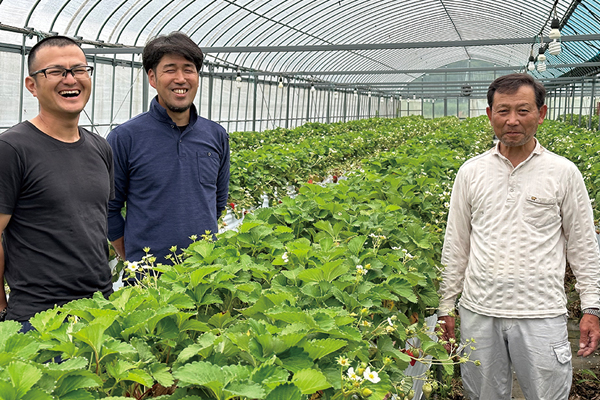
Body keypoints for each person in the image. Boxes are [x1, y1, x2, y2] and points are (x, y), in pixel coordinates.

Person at [438, 73, 600, 399]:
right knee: (483, 394)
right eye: (503, 111)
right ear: (489, 115)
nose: (512, 120)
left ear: (541, 114)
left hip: (541, 313)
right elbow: (456, 243)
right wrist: (446, 307)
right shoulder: (471, 172)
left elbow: (583, 244)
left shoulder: (563, 172)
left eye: (523, 111)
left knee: (547, 395)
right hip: (479, 312)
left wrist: (592, 307)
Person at [0, 36, 114, 327]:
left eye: (79, 69)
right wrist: (1, 307)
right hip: (40, 320)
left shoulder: (100, 147)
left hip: (101, 309)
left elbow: (95, 223)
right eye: (55, 71)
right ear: (32, 85)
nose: (70, 79)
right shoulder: (12, 149)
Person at [107, 32, 230, 269]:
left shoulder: (215, 135)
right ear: (152, 77)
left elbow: (218, 201)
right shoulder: (125, 137)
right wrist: (132, 257)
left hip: (206, 273)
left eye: (188, 69)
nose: (181, 78)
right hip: (149, 276)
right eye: (170, 69)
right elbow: (109, 209)